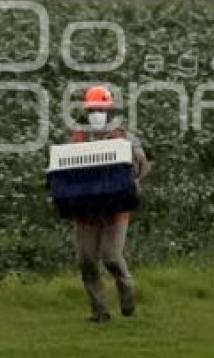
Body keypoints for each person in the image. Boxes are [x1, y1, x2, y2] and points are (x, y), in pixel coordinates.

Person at [70, 85, 151, 323]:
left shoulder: (123, 136)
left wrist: (134, 178)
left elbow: (144, 164)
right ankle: (99, 312)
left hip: (116, 210)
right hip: (85, 210)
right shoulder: (79, 136)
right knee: (86, 261)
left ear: (109, 110)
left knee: (111, 258)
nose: (96, 113)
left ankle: (127, 294)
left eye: (101, 109)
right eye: (93, 109)